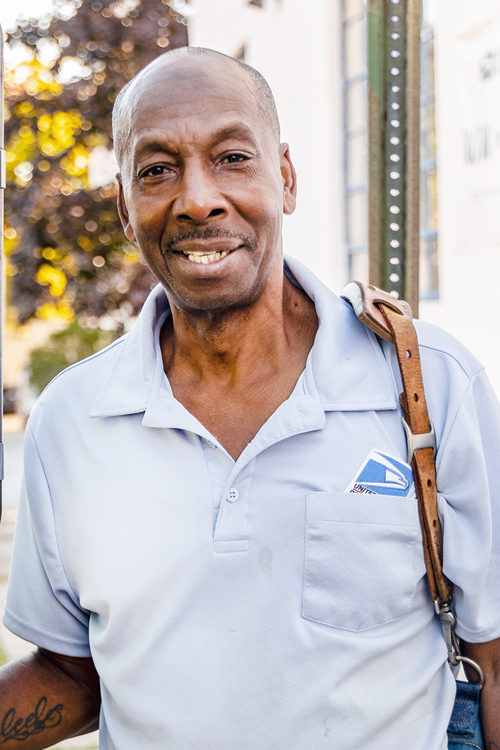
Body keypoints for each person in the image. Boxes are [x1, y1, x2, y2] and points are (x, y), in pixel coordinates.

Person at [1, 46, 500, 750]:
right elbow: (72, 672)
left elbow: (495, 664)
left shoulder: (432, 387)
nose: (198, 197)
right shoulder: (70, 422)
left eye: (232, 157)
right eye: (156, 170)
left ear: (286, 178)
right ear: (123, 206)